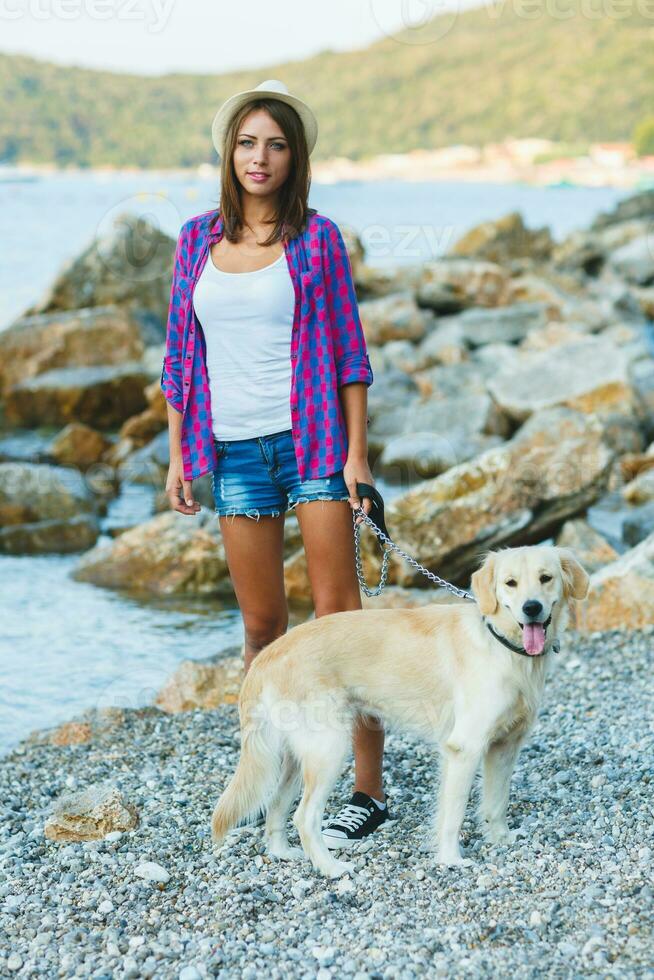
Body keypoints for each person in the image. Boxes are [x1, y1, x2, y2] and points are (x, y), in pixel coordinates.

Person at [161, 80, 389, 848]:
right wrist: (176, 458)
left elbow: (350, 356)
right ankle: (275, 775)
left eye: (277, 145)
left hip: (314, 444)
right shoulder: (195, 239)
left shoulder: (318, 240)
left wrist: (356, 458)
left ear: (296, 159)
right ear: (230, 151)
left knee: (340, 622)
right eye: (249, 142)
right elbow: (179, 361)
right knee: (262, 626)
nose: (260, 157)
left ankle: (366, 787)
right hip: (230, 454)